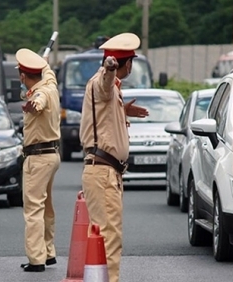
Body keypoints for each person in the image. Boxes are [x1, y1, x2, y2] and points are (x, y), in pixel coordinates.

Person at [79, 32, 149, 282]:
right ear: (127, 63)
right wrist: (109, 68)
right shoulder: (104, 82)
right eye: (131, 61)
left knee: (102, 234)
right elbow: (104, 84)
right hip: (103, 172)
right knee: (109, 235)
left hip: (106, 172)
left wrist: (123, 110)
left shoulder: (113, 93)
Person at [15, 48, 61, 272]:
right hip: (52, 155)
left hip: (38, 157)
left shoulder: (39, 94)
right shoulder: (50, 85)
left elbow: (38, 102)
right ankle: (48, 252)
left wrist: (33, 105)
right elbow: (49, 73)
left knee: (33, 209)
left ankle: (36, 259)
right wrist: (44, 63)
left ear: (23, 76)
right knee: (46, 207)